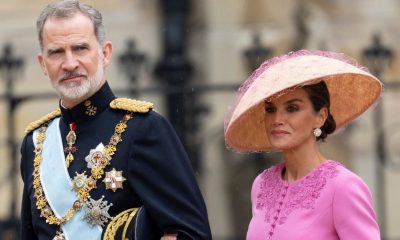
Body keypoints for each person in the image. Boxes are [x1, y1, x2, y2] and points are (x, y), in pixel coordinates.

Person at [20, 1, 212, 239]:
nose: (69, 64)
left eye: (80, 48)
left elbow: (190, 233)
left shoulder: (143, 129)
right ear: (43, 64)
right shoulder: (36, 144)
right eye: (56, 52)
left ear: (105, 53)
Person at [224, 50, 381, 239]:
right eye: (271, 109)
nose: (277, 119)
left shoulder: (342, 186)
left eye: (292, 108)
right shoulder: (261, 184)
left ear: (320, 117)